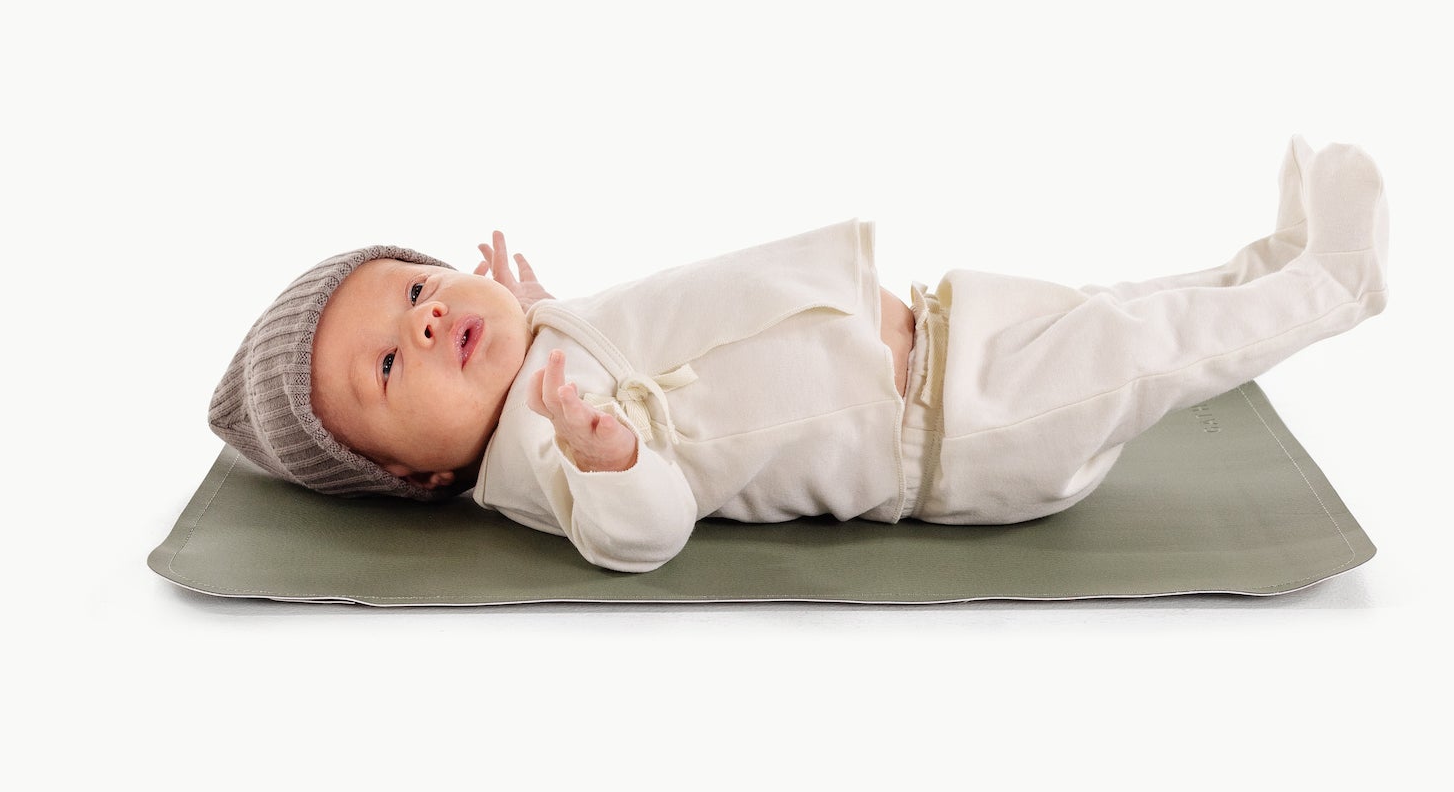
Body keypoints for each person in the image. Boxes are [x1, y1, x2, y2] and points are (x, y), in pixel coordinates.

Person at [207, 136, 1389, 574]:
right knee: (1145, 348)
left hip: (934, 336)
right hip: (955, 434)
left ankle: (1267, 264)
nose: (423, 321)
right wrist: (607, 456)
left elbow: (615, 342)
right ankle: (1332, 285)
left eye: (416, 287)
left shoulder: (535, 373)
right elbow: (645, 528)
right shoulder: (531, 458)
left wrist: (536, 306)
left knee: (1125, 310)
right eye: (388, 367)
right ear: (416, 475)